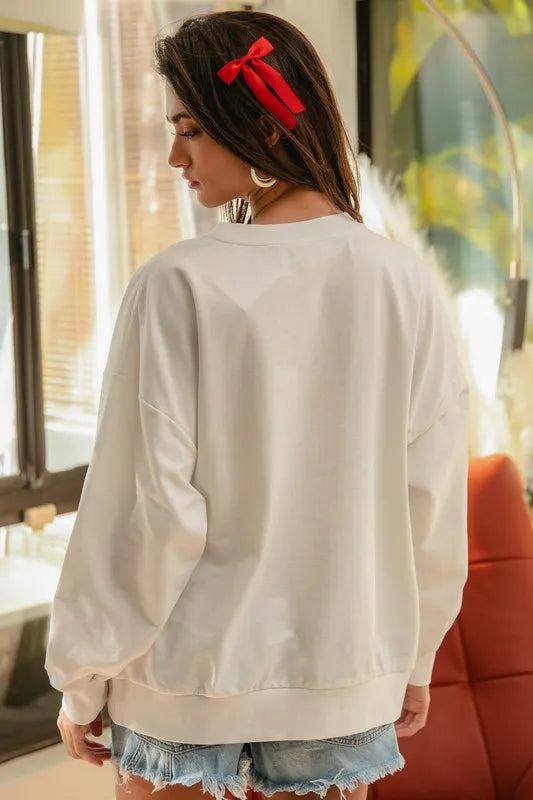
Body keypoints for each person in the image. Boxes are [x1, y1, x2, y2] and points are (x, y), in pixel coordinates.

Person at [45, 9, 470, 800]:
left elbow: (148, 510)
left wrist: (81, 677)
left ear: (263, 129)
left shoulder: (176, 283)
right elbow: (432, 496)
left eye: (191, 131)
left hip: (182, 686)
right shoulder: (400, 281)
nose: (174, 157)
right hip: (343, 678)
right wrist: (412, 659)